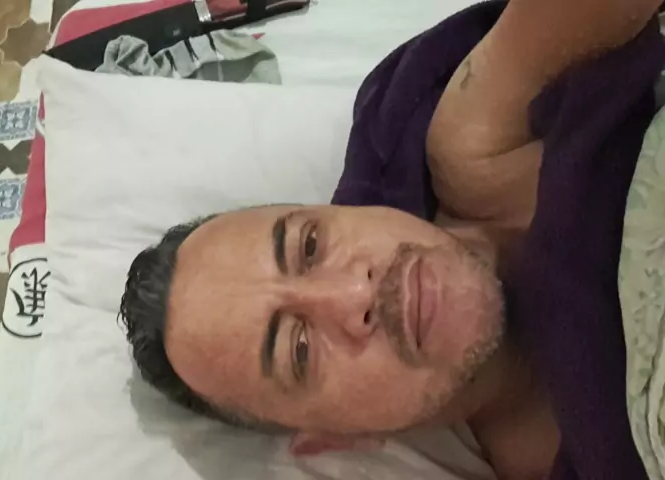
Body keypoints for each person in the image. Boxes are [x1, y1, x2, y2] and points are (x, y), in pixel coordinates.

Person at [118, 0, 665, 478]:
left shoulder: (473, 146)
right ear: (333, 438)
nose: (354, 293)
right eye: (301, 350)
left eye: (309, 247)